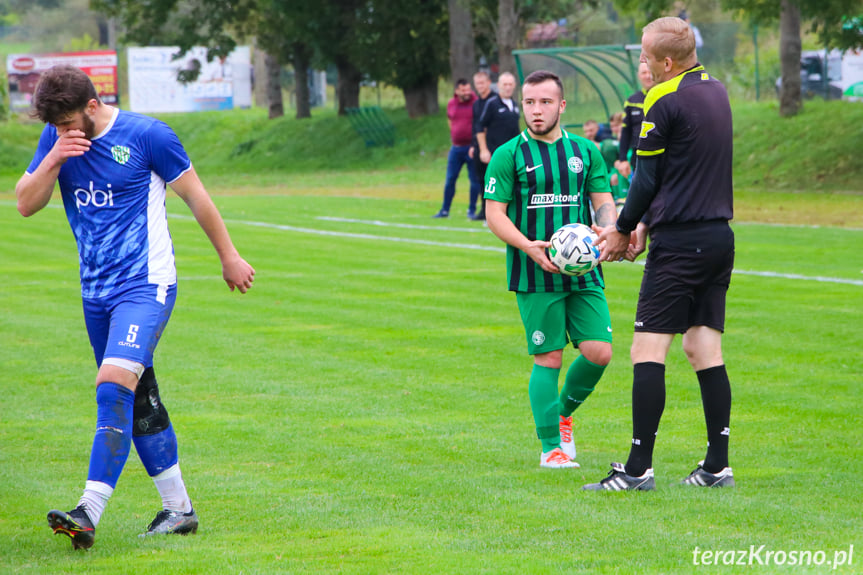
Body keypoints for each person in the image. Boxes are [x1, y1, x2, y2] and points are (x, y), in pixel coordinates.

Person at [15, 65, 256, 548]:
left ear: (92, 105)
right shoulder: (57, 139)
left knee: (112, 386)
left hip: (146, 286)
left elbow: (196, 196)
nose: (62, 131)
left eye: (67, 123)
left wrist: (229, 256)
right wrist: (54, 157)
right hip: (95, 293)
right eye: (54, 126)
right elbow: (25, 203)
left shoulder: (147, 135)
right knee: (138, 396)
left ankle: (88, 510)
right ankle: (179, 510)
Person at [584, 16, 734, 491]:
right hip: (717, 238)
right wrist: (645, 222)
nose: (644, 66)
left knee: (647, 348)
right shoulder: (717, 90)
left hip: (681, 243)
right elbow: (683, 172)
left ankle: (636, 470)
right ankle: (716, 467)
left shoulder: (661, 98)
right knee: (703, 347)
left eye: (647, 58)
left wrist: (622, 230)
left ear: (666, 62)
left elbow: (647, 179)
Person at [484, 70, 618, 469]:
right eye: (529, 103)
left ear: (561, 106)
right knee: (549, 358)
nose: (536, 110)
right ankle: (551, 448)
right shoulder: (509, 155)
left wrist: (607, 226)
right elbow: (494, 214)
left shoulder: (584, 151)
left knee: (599, 352)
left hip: (584, 269)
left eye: (545, 102)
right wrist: (527, 245)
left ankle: (561, 414)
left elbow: (603, 199)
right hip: (535, 271)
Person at [473, 71, 521, 221]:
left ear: (514, 86)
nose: (507, 87)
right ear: (499, 85)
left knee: (513, 184)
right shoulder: (492, 103)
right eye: (504, 84)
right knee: (492, 184)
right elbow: (480, 127)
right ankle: (489, 215)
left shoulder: (514, 104)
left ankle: (510, 215)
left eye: (510, 84)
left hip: (512, 154)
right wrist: (483, 149)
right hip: (495, 153)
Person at [433, 78, 479, 218]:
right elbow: (450, 120)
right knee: (450, 179)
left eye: (468, 89)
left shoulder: (476, 102)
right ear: (457, 90)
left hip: (471, 148)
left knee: (474, 180)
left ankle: (471, 210)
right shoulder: (451, 104)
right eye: (463, 90)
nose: (467, 93)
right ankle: (445, 209)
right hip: (456, 148)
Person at [615, 62, 655, 181]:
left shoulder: (666, 96)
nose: (648, 76)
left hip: (662, 156)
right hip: (638, 158)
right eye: (644, 73)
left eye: (650, 72)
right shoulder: (632, 101)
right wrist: (622, 159)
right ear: (639, 76)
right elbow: (626, 131)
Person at [469, 71, 495, 219]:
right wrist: (474, 145)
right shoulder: (477, 103)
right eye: (477, 83)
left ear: (488, 82)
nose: (480, 86)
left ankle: (492, 211)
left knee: (492, 179)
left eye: (482, 82)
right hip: (479, 147)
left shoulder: (494, 101)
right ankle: (484, 209)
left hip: (491, 146)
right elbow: (476, 126)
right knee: (481, 179)